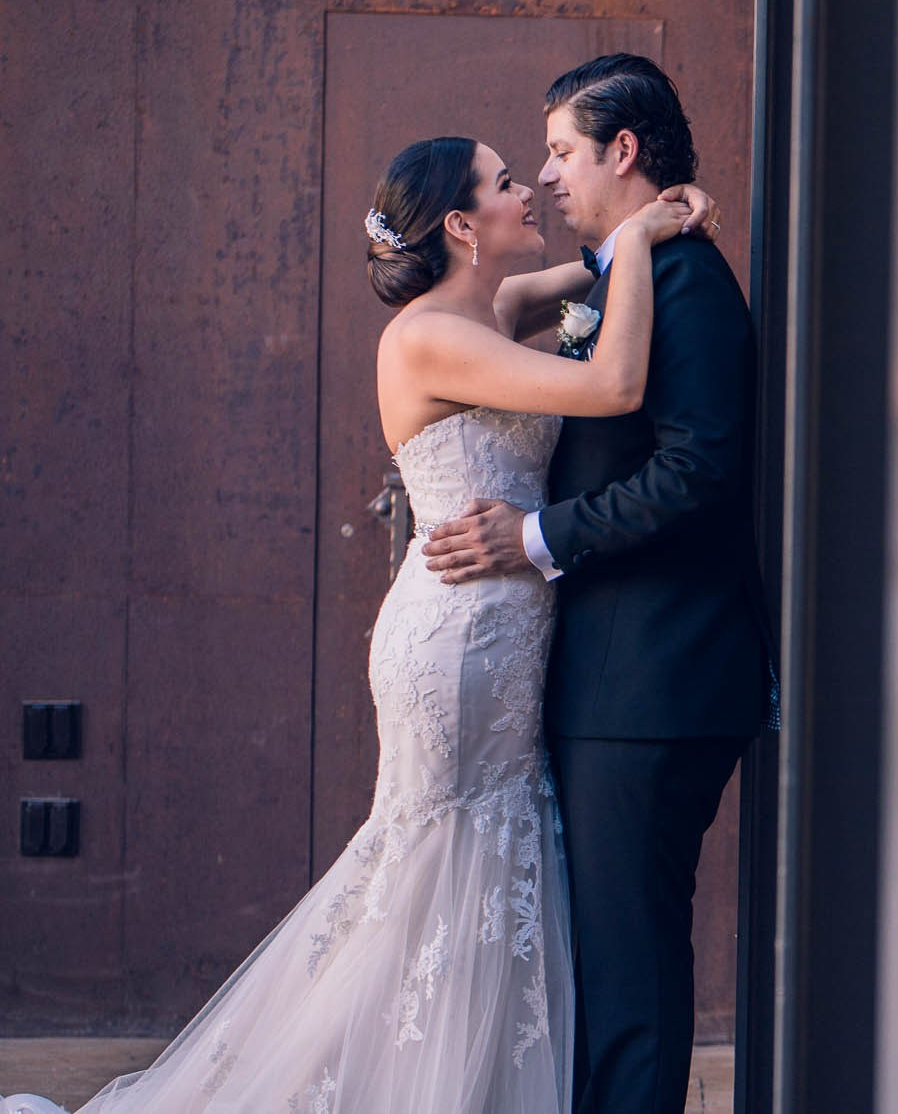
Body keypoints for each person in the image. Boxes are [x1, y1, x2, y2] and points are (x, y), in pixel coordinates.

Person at [3, 137, 714, 1114]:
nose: (530, 190)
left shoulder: (495, 307)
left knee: (481, 861)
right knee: (435, 867)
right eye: (508, 181)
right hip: (457, 641)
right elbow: (613, 386)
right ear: (461, 223)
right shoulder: (425, 339)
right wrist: (637, 242)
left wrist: (642, 225)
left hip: (507, 636)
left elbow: (584, 272)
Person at [420, 54, 776, 1114]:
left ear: (623, 151)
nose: (546, 174)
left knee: (630, 975)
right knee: (605, 965)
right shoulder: (626, 272)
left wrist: (533, 536)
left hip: (655, 682)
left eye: (561, 151)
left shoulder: (685, 284)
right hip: (612, 681)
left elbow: (697, 471)